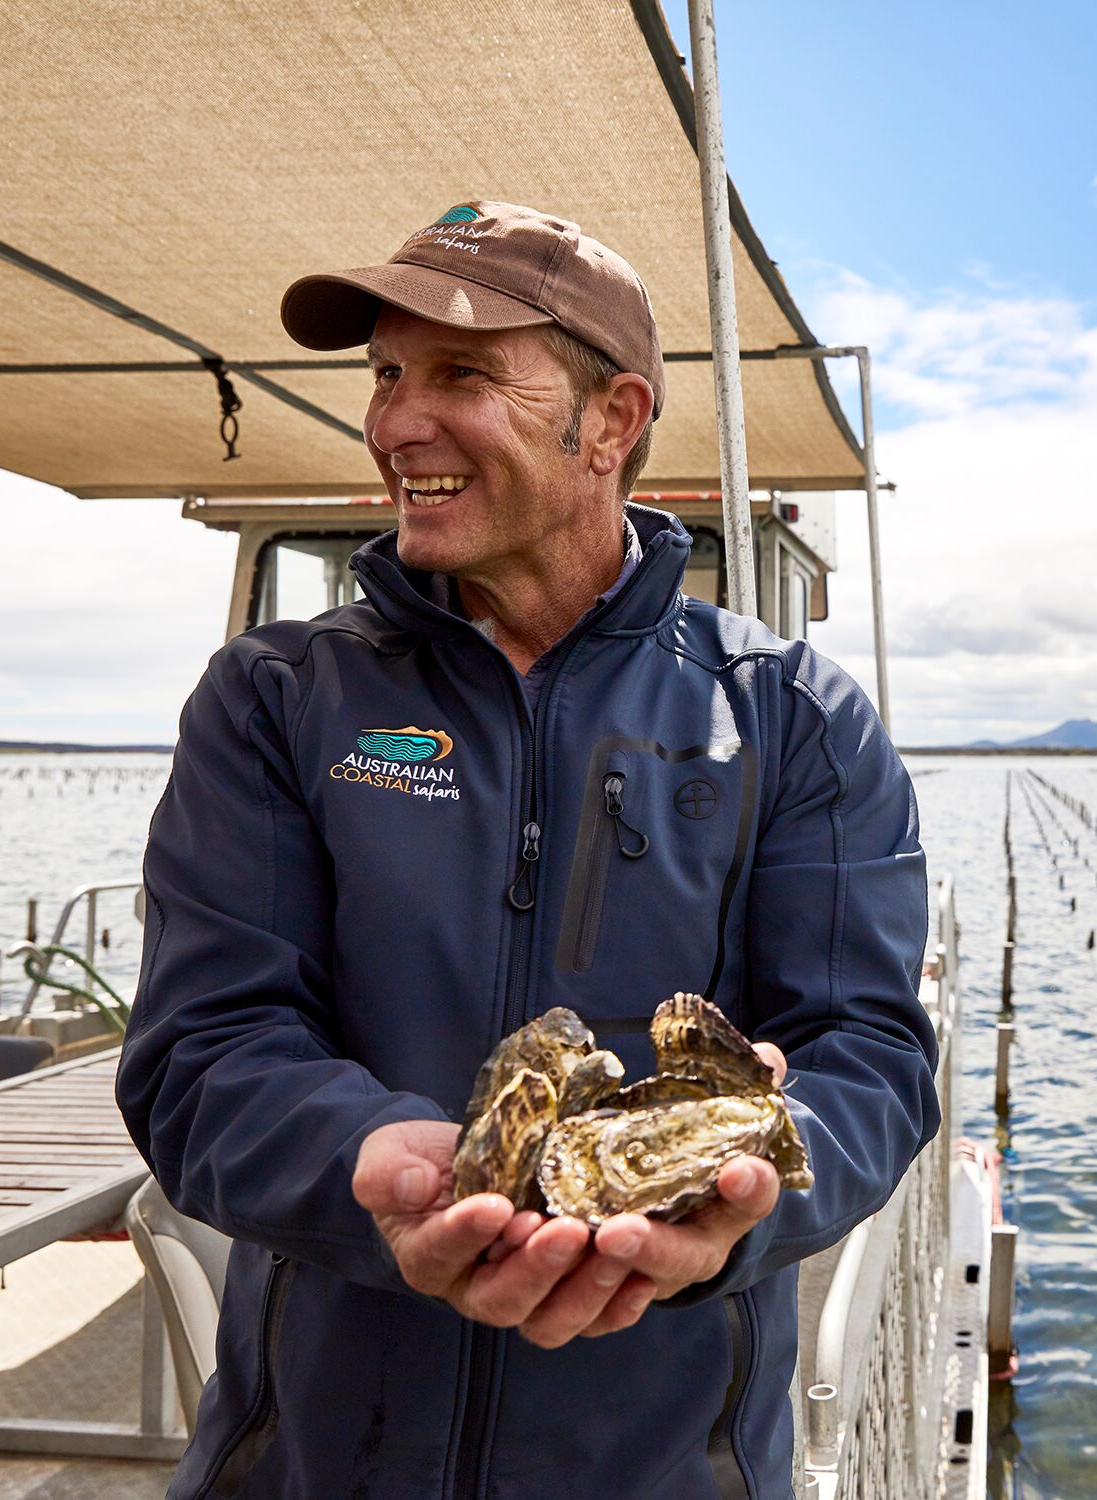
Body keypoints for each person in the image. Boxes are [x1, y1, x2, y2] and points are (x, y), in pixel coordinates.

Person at [116, 201, 936, 1499]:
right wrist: (374, 1163)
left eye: (460, 374)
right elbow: (202, 1054)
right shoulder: (273, 697)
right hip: (315, 1461)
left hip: (666, 1466)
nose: (395, 422)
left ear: (609, 420)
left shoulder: (791, 717)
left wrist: (727, 1205)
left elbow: (871, 1059)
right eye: (385, 376)